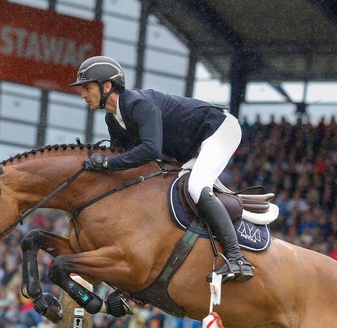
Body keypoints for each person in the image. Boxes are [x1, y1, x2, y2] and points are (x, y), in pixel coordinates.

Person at [70, 55, 253, 283]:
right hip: (191, 148)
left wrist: (107, 163)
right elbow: (123, 160)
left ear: (107, 86)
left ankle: (238, 259)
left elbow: (150, 150)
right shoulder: (113, 119)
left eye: (87, 88)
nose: (83, 95)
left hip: (218, 130)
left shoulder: (138, 104)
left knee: (196, 187)